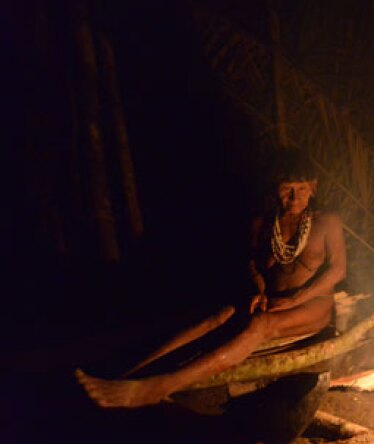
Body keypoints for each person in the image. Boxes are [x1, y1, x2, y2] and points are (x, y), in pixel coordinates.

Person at [77, 148, 346, 408]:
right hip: (273, 300)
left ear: (313, 187)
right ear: (274, 187)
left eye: (301, 188)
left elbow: (337, 270)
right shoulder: (262, 223)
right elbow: (253, 263)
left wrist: (296, 298)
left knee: (260, 325)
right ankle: (127, 374)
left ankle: (157, 387)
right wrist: (259, 290)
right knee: (218, 316)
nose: (294, 196)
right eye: (287, 188)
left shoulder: (327, 222)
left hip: (312, 304)